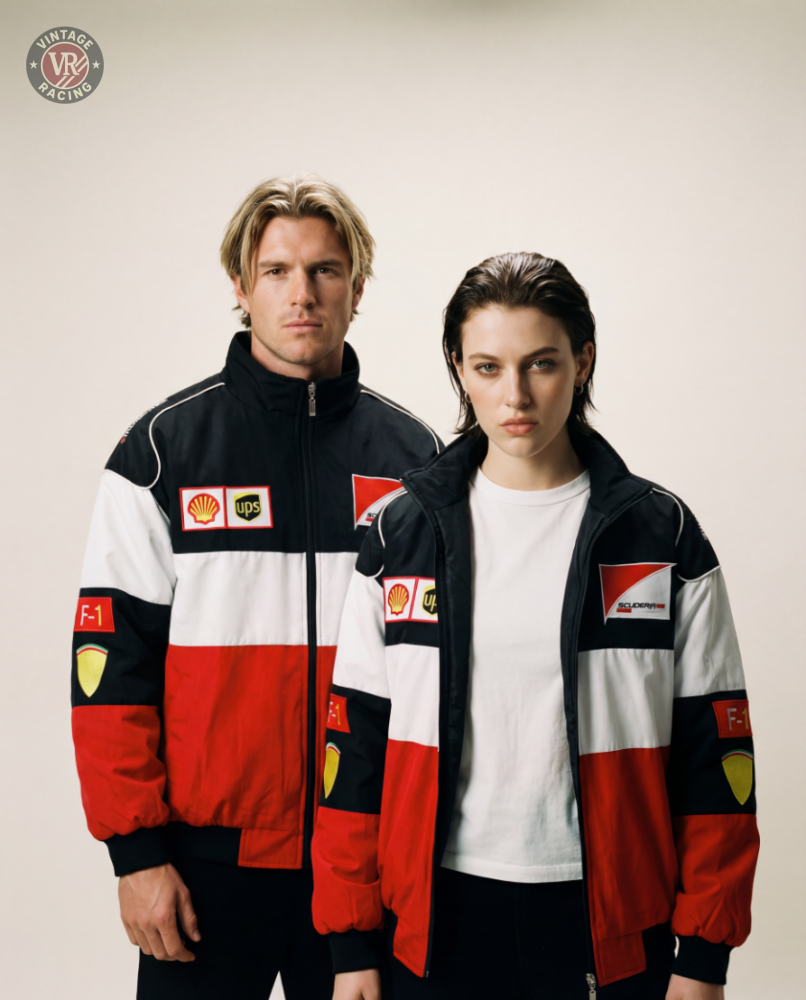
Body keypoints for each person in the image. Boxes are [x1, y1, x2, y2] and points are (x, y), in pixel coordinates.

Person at [311, 252, 758, 1000]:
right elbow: (352, 750)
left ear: (583, 361)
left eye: (541, 363)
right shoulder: (399, 535)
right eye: (487, 367)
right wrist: (353, 942)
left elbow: (718, 756)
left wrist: (703, 958)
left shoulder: (662, 537)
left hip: (606, 918)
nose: (514, 395)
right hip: (438, 913)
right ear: (458, 368)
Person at [70, 174, 441, 999]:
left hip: (365, 865)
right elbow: (107, 670)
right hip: (204, 871)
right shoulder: (161, 454)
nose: (301, 293)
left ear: (359, 285)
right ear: (240, 286)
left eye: (325, 270)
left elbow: (439, 676)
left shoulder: (418, 463)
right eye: (276, 271)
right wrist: (137, 858)